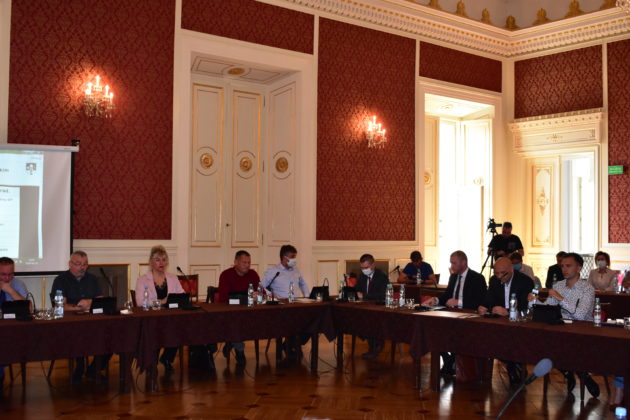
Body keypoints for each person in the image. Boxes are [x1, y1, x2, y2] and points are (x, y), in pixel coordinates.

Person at [528, 252, 599, 398]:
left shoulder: (587, 289)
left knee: (561, 345)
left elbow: (580, 315)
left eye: (568, 266)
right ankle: (572, 372)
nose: (564, 269)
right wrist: (534, 301)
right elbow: (549, 306)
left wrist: (560, 299)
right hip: (560, 328)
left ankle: (576, 372)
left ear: (579, 268)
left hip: (581, 331)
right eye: (562, 266)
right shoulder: (558, 285)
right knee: (540, 342)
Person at [50, 251, 108, 383]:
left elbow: (101, 300)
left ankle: (94, 369)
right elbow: (60, 306)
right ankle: (79, 365)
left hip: (92, 321)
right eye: (78, 264)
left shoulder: (93, 279)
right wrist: (79, 307)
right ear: (70, 264)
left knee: (110, 335)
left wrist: (89, 302)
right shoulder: (60, 280)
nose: (82, 267)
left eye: (85, 264)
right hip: (70, 323)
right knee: (79, 333)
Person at [427, 250, 487, 375]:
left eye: (454, 263)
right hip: (451, 314)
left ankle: (453, 361)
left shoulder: (477, 278)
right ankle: (448, 360)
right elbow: (447, 296)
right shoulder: (453, 277)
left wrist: (459, 302)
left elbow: (480, 301)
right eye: (451, 263)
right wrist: (435, 300)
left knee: (456, 332)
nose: (451, 266)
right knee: (433, 328)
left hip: (468, 317)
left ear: (463, 262)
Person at [478, 257, 534, 385]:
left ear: (511, 269)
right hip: (499, 323)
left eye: (503, 273)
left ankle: (512, 366)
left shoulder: (525, 281)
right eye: (496, 273)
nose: (499, 276)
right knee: (487, 339)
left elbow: (527, 307)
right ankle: (512, 364)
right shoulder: (494, 280)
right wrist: (484, 307)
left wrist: (508, 312)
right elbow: (489, 298)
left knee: (510, 339)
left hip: (519, 324)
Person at [135, 245, 185, 373]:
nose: (161, 262)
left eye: (164, 259)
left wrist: (177, 299)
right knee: (156, 330)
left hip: (170, 316)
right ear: (151, 262)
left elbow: (182, 295)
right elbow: (140, 302)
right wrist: (161, 302)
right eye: (157, 260)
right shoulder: (143, 279)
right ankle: (152, 362)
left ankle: (167, 358)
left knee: (180, 328)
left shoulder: (173, 278)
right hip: (152, 318)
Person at [261, 245, 310, 359]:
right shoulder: (273, 271)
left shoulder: (296, 270)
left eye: (295, 257)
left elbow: (303, 284)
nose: (295, 260)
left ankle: (290, 343)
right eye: (292, 257)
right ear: (284, 258)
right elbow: (261, 287)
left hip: (296, 305)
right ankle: (291, 344)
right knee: (294, 321)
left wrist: (307, 297)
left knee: (312, 321)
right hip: (281, 308)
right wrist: (271, 296)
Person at [217, 250, 260, 366]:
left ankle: (231, 343)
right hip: (230, 311)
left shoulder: (253, 274)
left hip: (249, 310)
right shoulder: (226, 275)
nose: (247, 265)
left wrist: (258, 295)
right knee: (237, 321)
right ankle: (240, 351)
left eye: (249, 262)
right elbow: (224, 298)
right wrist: (245, 297)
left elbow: (261, 292)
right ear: (235, 262)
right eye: (244, 262)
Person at [0, 257, 29, 385]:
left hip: (12, 331)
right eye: (3, 274)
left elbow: (28, 308)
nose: (7, 278)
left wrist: (10, 291)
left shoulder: (18, 284)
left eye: (10, 274)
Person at [355, 253, 389, 360]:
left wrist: (364, 296)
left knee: (370, 319)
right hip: (365, 307)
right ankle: (373, 345)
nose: (364, 270)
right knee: (356, 317)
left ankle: (377, 345)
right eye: (362, 268)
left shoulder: (382, 276)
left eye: (366, 267)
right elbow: (357, 289)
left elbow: (382, 295)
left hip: (379, 308)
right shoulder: (362, 276)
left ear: (373, 265)